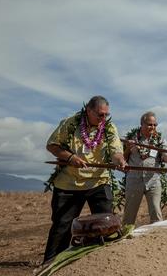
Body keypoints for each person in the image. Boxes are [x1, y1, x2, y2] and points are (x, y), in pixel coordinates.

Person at [43, 95, 127, 264]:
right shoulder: (70, 123)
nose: (103, 118)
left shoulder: (109, 128)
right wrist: (70, 157)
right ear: (88, 110)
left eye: (106, 115)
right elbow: (52, 145)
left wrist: (120, 161)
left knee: (106, 224)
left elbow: (116, 151)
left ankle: (103, 263)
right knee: (62, 226)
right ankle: (51, 265)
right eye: (100, 115)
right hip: (69, 183)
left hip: (98, 182)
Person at [122, 111, 167, 226]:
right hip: (134, 180)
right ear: (141, 124)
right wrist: (128, 148)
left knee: (156, 212)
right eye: (149, 124)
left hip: (153, 180)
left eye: (154, 125)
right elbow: (122, 159)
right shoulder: (131, 138)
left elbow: (166, 157)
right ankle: (124, 238)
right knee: (129, 214)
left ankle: (157, 238)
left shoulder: (159, 140)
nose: (152, 127)